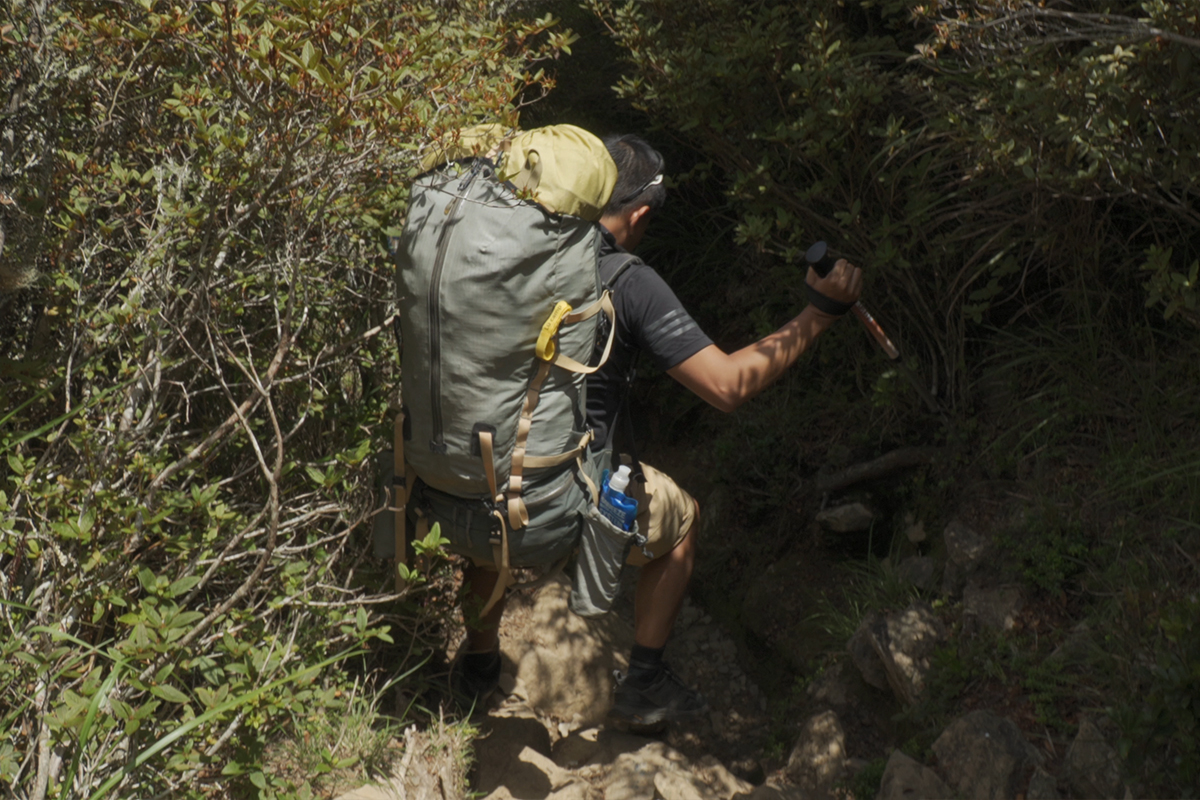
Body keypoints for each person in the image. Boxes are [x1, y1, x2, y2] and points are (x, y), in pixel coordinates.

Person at [452, 133, 863, 728]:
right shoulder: (629, 280)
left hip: (481, 474)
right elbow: (726, 385)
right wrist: (818, 314)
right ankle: (643, 680)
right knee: (684, 521)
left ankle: (479, 663)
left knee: (503, 490)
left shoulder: (506, 256)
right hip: (566, 496)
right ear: (640, 212)